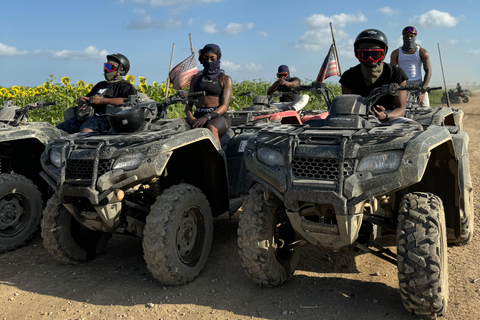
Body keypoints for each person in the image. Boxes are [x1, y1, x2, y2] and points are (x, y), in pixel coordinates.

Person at [340, 28, 410, 123]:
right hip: (358, 118)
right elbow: (347, 108)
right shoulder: (348, 76)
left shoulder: (396, 73)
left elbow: (401, 109)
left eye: (375, 54)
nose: (370, 59)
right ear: (357, 54)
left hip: (390, 116)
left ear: (383, 53)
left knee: (417, 127)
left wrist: (385, 116)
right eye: (364, 55)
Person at [57, 53, 137, 134]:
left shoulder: (125, 86)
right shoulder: (100, 85)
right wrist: (81, 100)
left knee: (86, 132)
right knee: (57, 131)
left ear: (120, 69)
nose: (105, 70)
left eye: (109, 67)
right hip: (87, 116)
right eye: (105, 67)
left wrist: (102, 101)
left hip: (106, 119)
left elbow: (127, 101)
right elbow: (88, 98)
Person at [185, 44, 232, 145]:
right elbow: (188, 106)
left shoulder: (225, 79)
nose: (209, 61)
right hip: (198, 115)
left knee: (211, 129)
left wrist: (207, 117)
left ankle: (219, 158)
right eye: (206, 58)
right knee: (176, 126)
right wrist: (191, 118)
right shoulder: (195, 79)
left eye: (212, 58)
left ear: (218, 59)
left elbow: (224, 106)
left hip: (218, 117)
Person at [390, 26, 432, 106]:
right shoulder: (395, 53)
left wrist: (422, 90)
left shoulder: (422, 52)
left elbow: (428, 72)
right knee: (401, 110)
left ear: (415, 37)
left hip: (419, 85)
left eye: (411, 36)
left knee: (426, 109)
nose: (409, 38)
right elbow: (392, 72)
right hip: (402, 85)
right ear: (403, 37)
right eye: (406, 36)